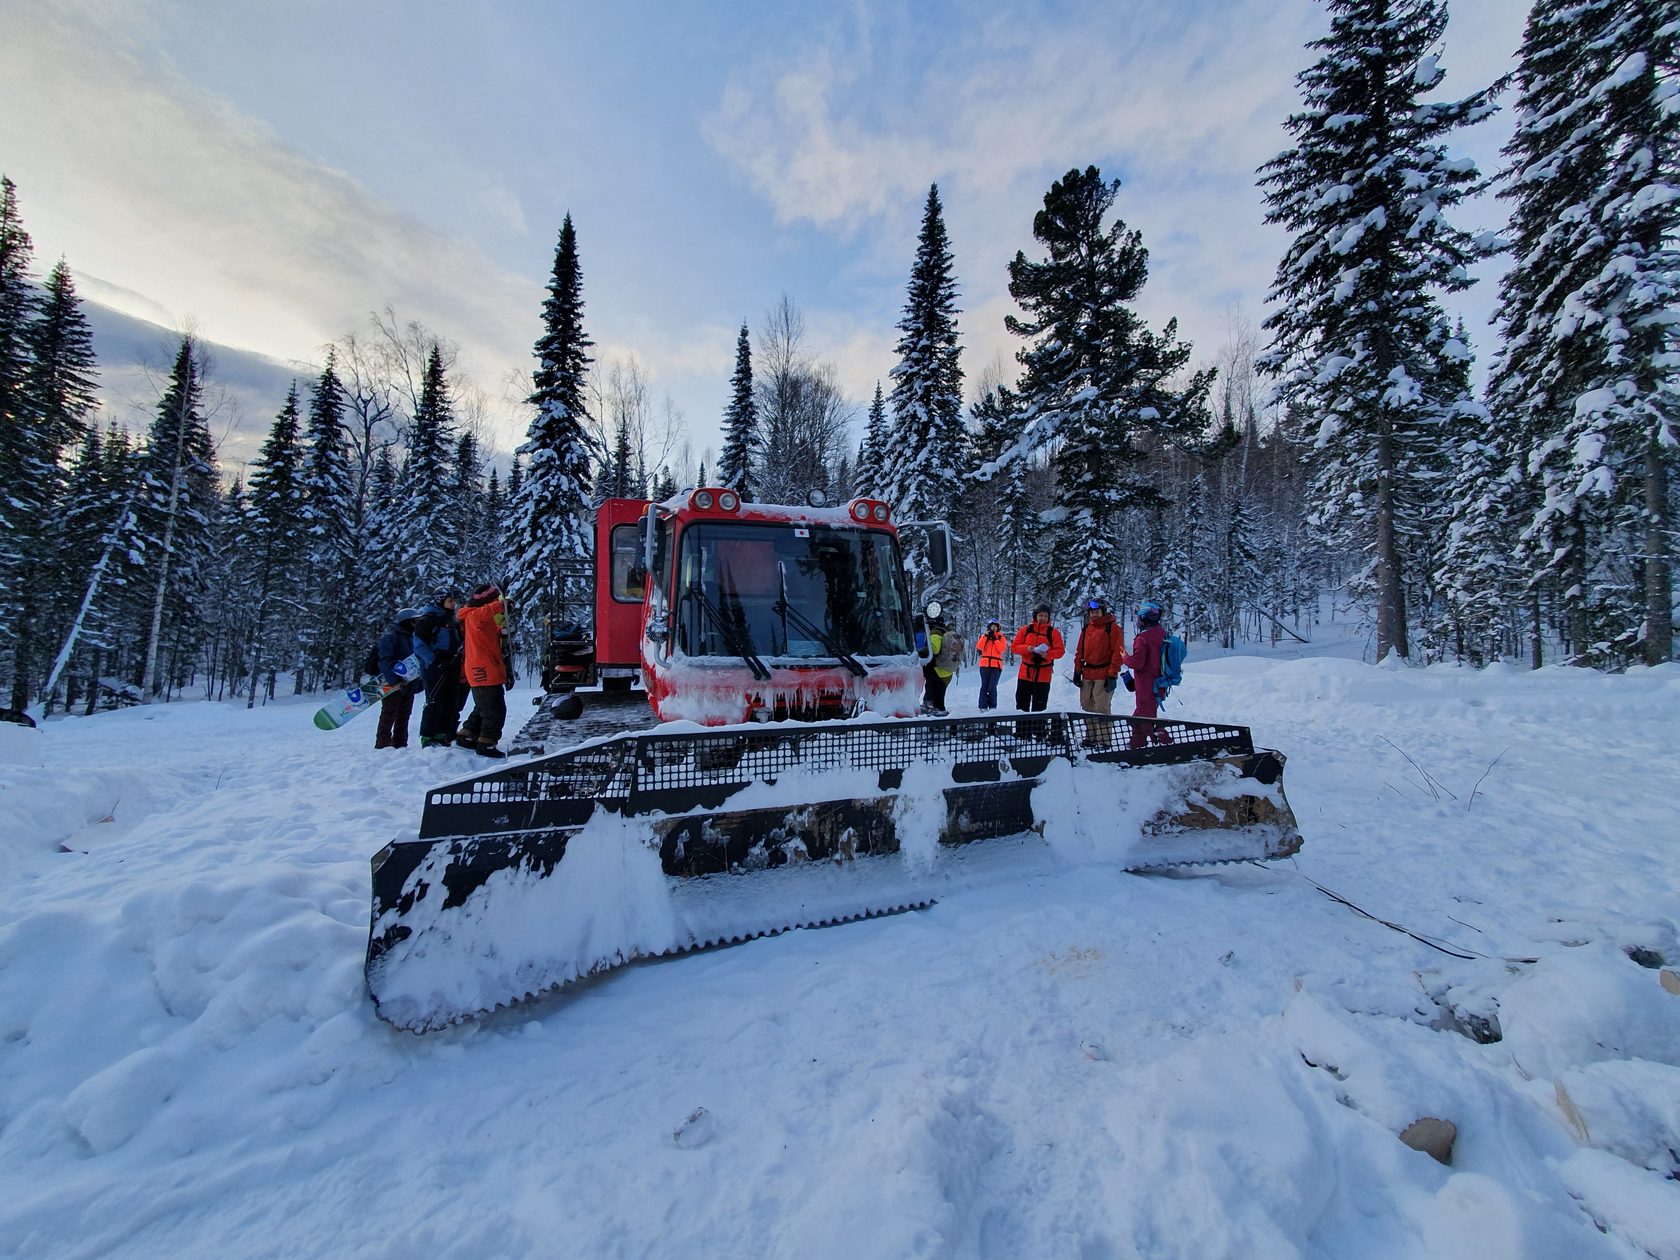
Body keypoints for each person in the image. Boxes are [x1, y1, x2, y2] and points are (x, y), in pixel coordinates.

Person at [456, 582, 513, 758]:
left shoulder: (477, 620)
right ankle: (487, 742)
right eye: (494, 599)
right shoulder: (474, 616)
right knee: (494, 709)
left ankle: (468, 734)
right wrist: (502, 604)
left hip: (485, 667)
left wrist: (501, 631)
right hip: (482, 669)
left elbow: (488, 629)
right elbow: (485, 613)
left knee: (484, 705)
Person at [413, 586, 464, 747]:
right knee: (435, 701)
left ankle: (442, 733)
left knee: (451, 702)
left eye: (454, 600)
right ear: (440, 600)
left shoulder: (452, 619)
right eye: (450, 601)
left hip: (452, 664)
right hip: (434, 667)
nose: (453, 604)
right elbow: (419, 645)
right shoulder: (428, 619)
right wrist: (436, 661)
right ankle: (428, 736)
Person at [1122, 599, 1172, 748]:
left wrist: (1124, 656)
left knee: (1141, 717)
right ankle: (1148, 742)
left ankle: (1142, 744)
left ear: (1144, 618)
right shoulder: (1161, 633)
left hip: (1147, 685)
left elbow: (1137, 663)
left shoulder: (1143, 638)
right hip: (1160, 683)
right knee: (1147, 715)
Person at [374, 607, 425, 749]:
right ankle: (382, 745)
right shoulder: (390, 637)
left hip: (409, 683)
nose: (417, 624)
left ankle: (400, 744)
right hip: (392, 685)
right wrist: (394, 681)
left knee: (404, 715)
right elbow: (384, 660)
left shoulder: (414, 638)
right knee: (389, 714)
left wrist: (419, 683)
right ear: (406, 622)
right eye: (414, 621)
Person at [1073, 597, 1126, 715]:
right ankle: (1091, 733)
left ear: (1103, 611)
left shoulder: (1112, 628)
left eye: (1097, 612)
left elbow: (1118, 652)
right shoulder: (1087, 628)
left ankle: (1104, 734)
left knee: (1102, 708)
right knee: (1086, 705)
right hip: (1088, 673)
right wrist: (1077, 671)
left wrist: (1112, 674)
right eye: (1091, 612)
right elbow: (1080, 651)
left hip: (1104, 673)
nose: (1094, 615)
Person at [1011, 605, 1064, 712]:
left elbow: (1060, 651)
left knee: (1040, 708)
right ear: (1035, 616)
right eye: (1040, 615)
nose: (1042, 618)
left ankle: (1039, 728)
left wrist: (1047, 654)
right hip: (1025, 674)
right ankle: (1021, 729)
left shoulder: (1053, 632)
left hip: (1043, 675)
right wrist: (1027, 648)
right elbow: (1014, 647)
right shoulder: (1026, 630)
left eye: (1045, 616)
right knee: (1021, 706)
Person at [921, 610, 963, 717]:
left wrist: (921, 652)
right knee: (939, 697)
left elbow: (934, 650)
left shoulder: (936, 633)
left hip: (937, 670)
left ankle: (931, 708)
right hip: (948, 671)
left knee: (933, 690)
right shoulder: (947, 632)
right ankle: (935, 708)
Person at [975, 618, 1008, 711]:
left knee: (992, 687)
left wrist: (995, 639)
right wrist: (986, 636)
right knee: (984, 686)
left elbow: (1002, 649)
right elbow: (979, 646)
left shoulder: (1001, 637)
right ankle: (983, 706)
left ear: (998, 628)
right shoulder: (984, 636)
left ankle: (993, 707)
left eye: (995, 626)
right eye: (992, 626)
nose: (993, 628)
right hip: (985, 664)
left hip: (996, 665)